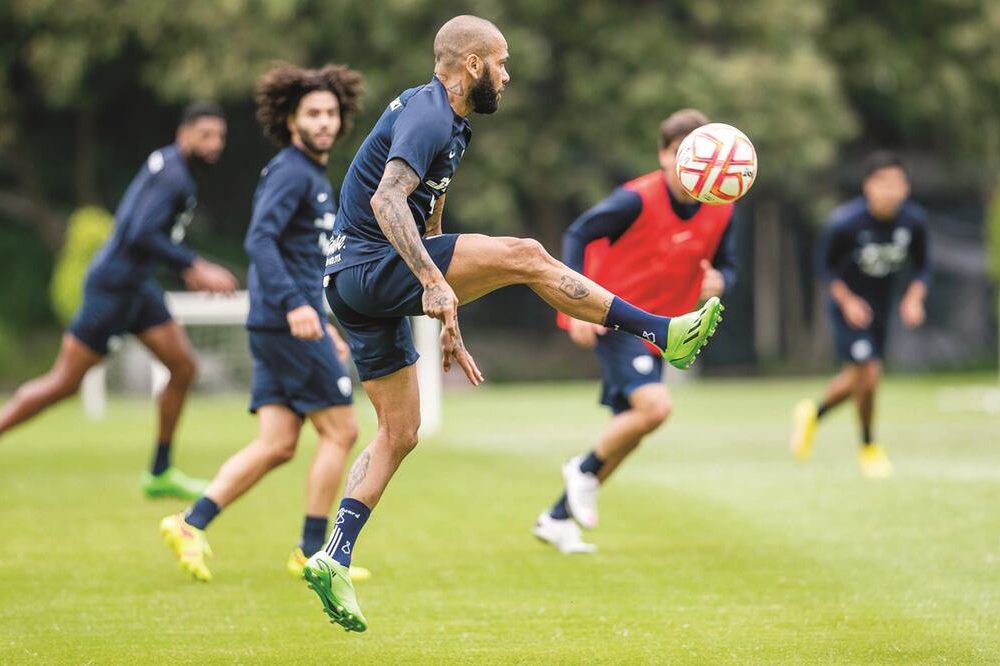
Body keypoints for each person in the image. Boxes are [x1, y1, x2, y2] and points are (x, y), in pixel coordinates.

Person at [301, 15, 724, 633]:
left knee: (400, 432)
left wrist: (445, 304)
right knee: (527, 253)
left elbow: (430, 214)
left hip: (355, 288)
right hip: (371, 268)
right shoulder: (429, 114)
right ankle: (664, 331)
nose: (507, 73)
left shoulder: (453, 126)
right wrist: (433, 281)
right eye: (501, 62)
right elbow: (386, 201)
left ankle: (333, 556)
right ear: (472, 64)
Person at [0, 103, 238, 502]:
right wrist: (195, 265)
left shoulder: (169, 165)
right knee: (63, 383)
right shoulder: (175, 178)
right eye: (205, 136)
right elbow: (138, 233)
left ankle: (159, 471)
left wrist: (183, 267)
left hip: (137, 286)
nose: (214, 145)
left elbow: (146, 233)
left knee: (183, 366)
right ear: (183, 135)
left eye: (220, 137)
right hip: (113, 290)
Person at [159, 63, 372, 583]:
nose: (324, 122)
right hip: (286, 321)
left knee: (277, 442)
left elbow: (300, 258)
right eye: (312, 113)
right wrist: (300, 309)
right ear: (291, 119)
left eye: (330, 113)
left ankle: (191, 523)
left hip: (287, 320)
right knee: (343, 430)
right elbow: (260, 241)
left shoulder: (311, 175)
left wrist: (325, 321)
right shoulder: (292, 171)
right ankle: (310, 551)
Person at [534, 109, 738, 554]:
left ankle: (557, 518)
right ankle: (581, 470)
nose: (692, 166)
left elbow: (728, 264)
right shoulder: (636, 199)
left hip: (666, 331)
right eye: (682, 154)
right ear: (664, 155)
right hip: (618, 319)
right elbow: (578, 232)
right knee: (656, 409)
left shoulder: (722, 209)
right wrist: (575, 311)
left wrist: (721, 281)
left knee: (629, 431)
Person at [790, 151, 930, 478]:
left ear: (906, 188)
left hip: (881, 308)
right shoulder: (845, 222)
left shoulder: (913, 221)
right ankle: (869, 447)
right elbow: (823, 266)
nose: (890, 191)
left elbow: (923, 265)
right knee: (869, 374)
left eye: (897, 184)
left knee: (857, 378)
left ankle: (813, 413)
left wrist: (914, 297)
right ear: (868, 186)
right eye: (883, 184)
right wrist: (848, 301)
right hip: (848, 308)